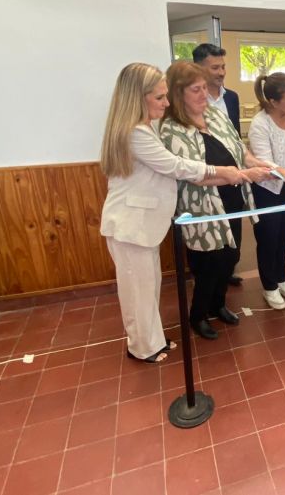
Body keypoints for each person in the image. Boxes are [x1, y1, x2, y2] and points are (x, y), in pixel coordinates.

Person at [99, 63, 242, 362]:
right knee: (137, 292)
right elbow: (175, 166)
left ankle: (152, 341)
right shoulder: (135, 133)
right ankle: (142, 348)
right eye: (159, 97)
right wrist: (222, 171)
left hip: (143, 225)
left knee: (147, 287)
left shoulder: (145, 128)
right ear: (138, 97)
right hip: (130, 225)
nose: (166, 103)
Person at [160, 61, 272, 340]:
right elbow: (195, 174)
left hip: (231, 199)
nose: (203, 94)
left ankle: (218, 304)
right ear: (178, 93)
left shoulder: (215, 115)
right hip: (201, 208)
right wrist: (247, 174)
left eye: (204, 88)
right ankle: (198, 315)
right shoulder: (170, 129)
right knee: (207, 265)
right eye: (196, 89)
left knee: (230, 257)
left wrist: (266, 166)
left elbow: (240, 150)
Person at [248, 73, 285, 310]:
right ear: (272, 101)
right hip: (267, 187)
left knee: (284, 235)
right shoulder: (260, 124)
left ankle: (281, 277)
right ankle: (269, 285)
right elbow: (263, 163)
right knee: (268, 238)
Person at [192, 44, 245, 286]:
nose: (222, 72)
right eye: (215, 67)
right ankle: (208, 283)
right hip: (203, 183)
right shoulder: (188, 105)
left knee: (233, 234)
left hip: (231, 180)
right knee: (210, 244)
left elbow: (236, 138)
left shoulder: (231, 98)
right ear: (198, 69)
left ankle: (226, 273)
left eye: (223, 66)